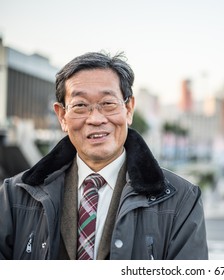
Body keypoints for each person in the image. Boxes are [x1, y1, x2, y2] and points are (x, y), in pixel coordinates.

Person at [0, 51, 208, 260]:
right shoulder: (14, 196)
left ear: (128, 109)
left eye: (108, 103)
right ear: (62, 116)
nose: (96, 118)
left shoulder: (181, 201)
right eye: (81, 105)